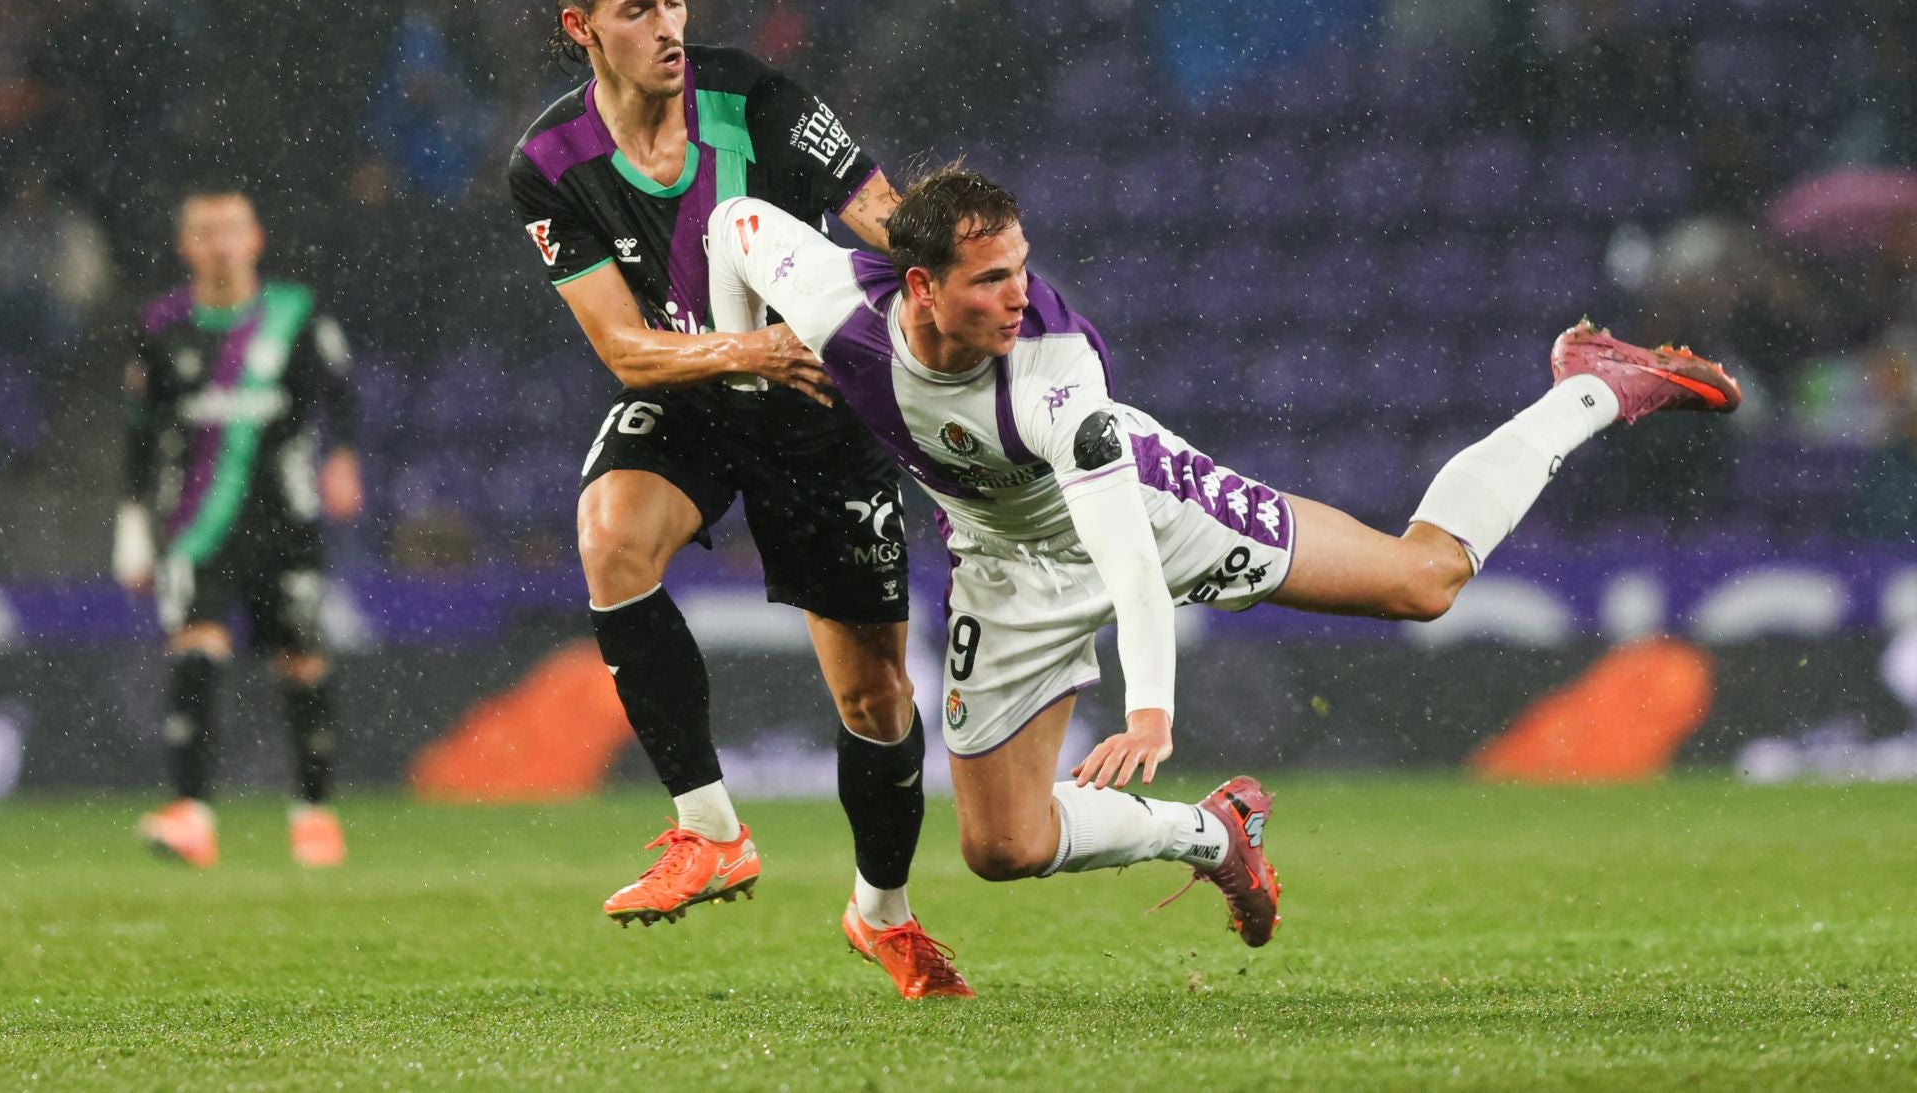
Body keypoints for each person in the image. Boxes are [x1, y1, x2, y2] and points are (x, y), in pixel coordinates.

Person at [706, 168, 1742, 951]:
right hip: (1002, 561)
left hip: (1151, 514)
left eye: (1023, 268)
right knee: (1001, 849)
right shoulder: (837, 303)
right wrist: (739, 369)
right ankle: (1216, 836)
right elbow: (733, 227)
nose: (1020, 296)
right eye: (991, 280)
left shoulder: (1059, 383)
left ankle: (1597, 386)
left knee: (1422, 582)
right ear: (920, 288)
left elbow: (1130, 568)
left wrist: (1150, 708)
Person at [504, 0, 969, 1000]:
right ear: (582, 28)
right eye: (637, 10)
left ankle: (882, 913)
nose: (668, 26)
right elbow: (624, 348)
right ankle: (707, 828)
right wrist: (753, 344)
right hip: (697, 389)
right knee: (611, 534)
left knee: (871, 702)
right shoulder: (548, 164)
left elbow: (889, 220)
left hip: (818, 410)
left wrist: (959, 281)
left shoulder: (760, 99)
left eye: (674, 0)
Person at [113, 185, 362, 868]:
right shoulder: (162, 324)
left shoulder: (295, 314)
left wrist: (340, 456)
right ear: (185, 245)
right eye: (205, 230)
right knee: (196, 647)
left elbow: (341, 395)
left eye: (231, 228)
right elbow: (140, 432)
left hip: (286, 520)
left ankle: (314, 816)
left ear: (255, 239)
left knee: (302, 658)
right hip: (199, 524)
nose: (220, 242)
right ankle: (193, 815)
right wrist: (132, 522)